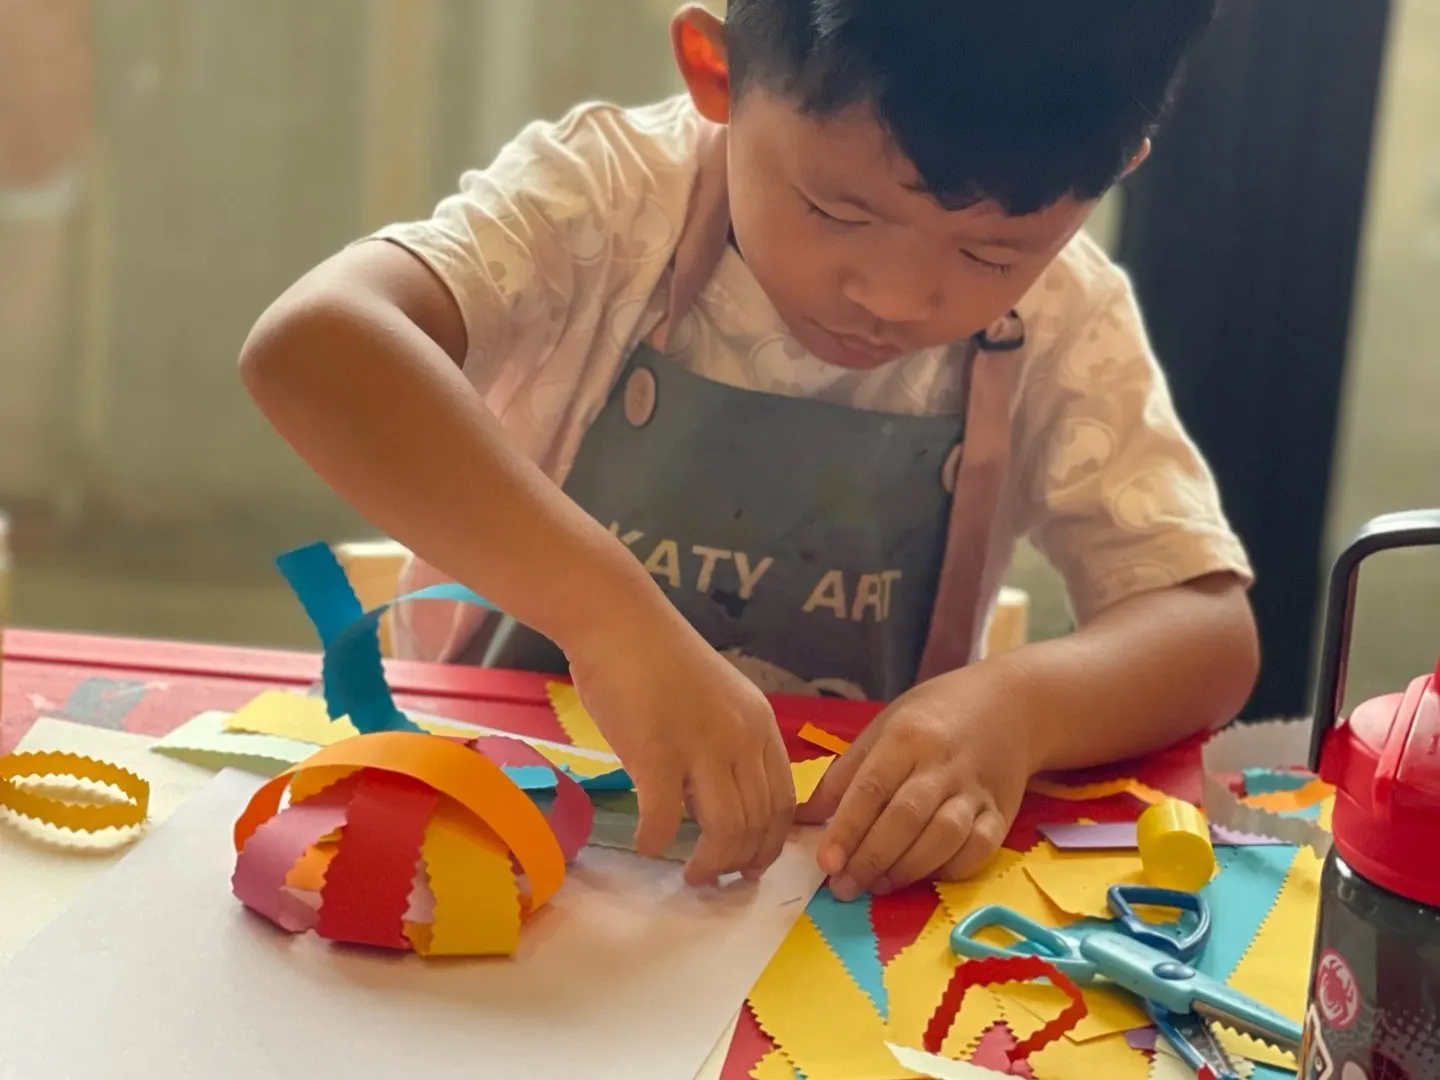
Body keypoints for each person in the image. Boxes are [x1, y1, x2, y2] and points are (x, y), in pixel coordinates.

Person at [240, 0, 1258, 901]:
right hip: (497, 824)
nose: (896, 298)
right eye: (837, 210)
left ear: (1117, 170)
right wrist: (610, 617)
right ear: (715, 70)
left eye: (994, 252)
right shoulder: (608, 205)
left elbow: (1207, 631)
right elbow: (312, 349)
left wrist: (1018, 706)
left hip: (816, 885)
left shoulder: (1066, 319)